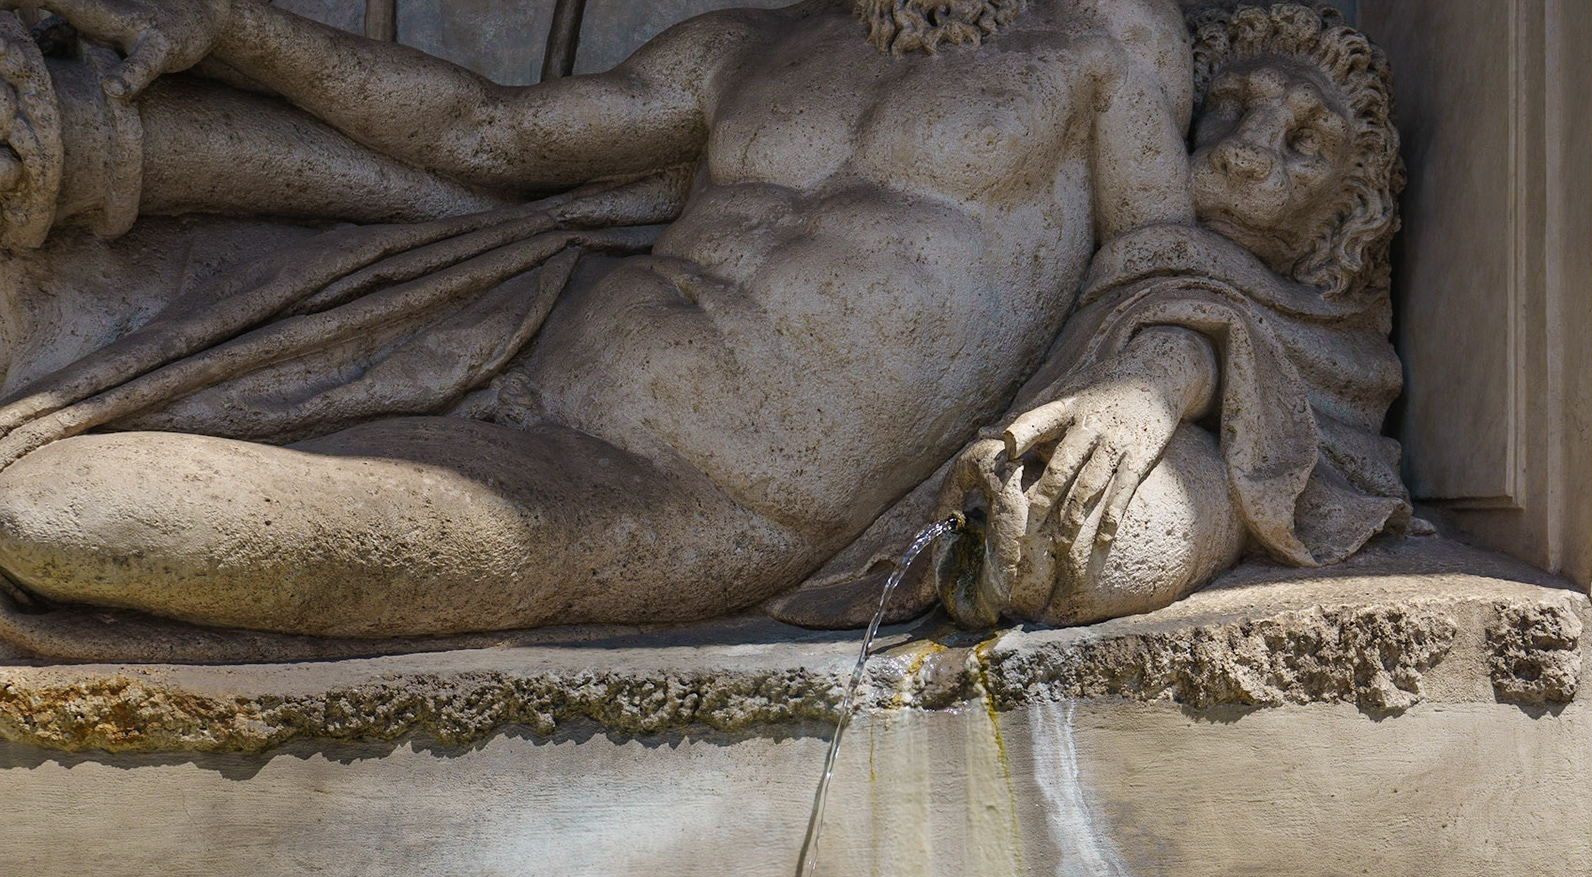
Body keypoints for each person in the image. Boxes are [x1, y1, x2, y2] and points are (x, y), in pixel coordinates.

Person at [0, 0, 1196, 643]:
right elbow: (485, 131)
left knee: (54, 508)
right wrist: (238, 28)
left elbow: (1172, 270)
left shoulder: (1105, 39)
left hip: (679, 497)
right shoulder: (754, 43)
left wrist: (1145, 393)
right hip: (514, 364)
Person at [773, 2, 1411, 629]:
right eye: (1232, 108)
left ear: (1347, 213)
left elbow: (1288, 391)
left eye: (1304, 143)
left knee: (1094, 547)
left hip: (1189, 440)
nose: (1245, 152)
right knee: (1059, 522)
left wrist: (1165, 376)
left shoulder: (1340, 340)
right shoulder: (1134, 244)